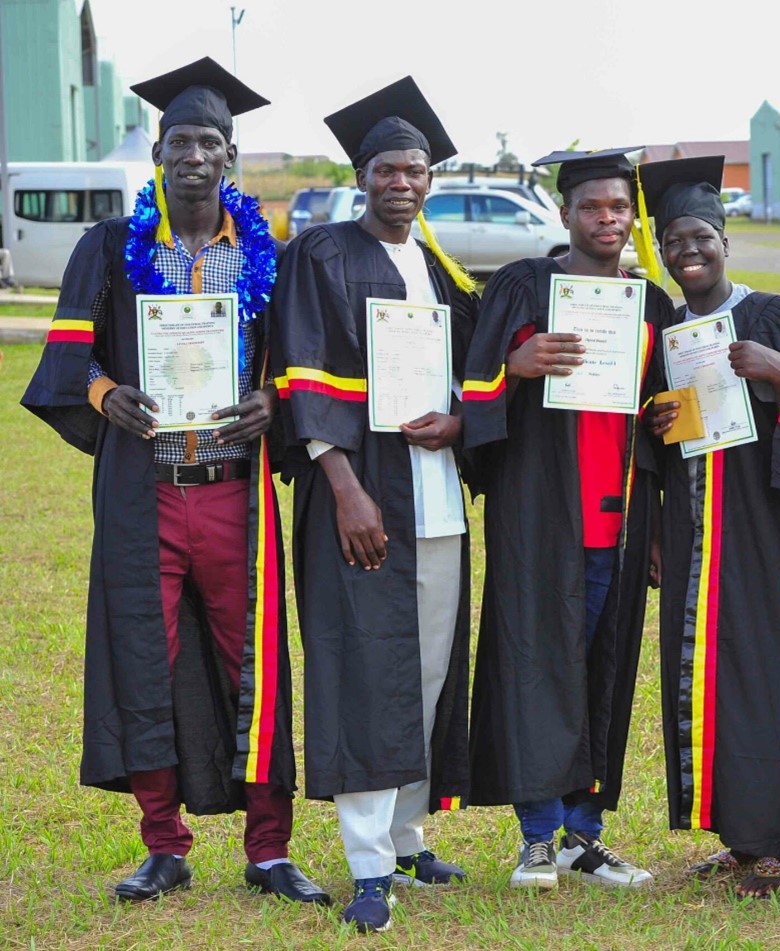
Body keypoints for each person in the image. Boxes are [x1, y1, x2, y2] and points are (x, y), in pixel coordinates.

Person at [20, 58, 326, 906]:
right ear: (159, 150)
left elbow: (298, 365)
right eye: (181, 140)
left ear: (232, 155)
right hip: (145, 491)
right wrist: (104, 392)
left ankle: (269, 849)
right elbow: (69, 356)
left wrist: (274, 400)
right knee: (142, 657)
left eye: (212, 141)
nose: (195, 154)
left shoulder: (271, 256)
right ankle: (165, 844)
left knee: (254, 660)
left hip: (234, 488)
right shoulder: (110, 249)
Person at [270, 77, 478, 933]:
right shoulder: (320, 255)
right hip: (361, 495)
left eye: (417, 169)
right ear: (363, 176)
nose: (404, 182)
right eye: (388, 168)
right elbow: (300, 370)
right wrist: (343, 482)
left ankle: (405, 834)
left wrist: (465, 419)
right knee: (362, 666)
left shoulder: (436, 267)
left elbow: (471, 377)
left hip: (436, 500)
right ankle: (366, 863)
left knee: (426, 668)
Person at [462, 146, 674, 891]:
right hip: (539, 515)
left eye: (619, 207)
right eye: (593, 206)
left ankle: (587, 835)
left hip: (620, 519)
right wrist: (512, 369)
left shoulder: (651, 303)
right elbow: (475, 383)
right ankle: (536, 837)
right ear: (566, 214)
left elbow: (664, 419)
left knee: (603, 672)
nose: (608, 218)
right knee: (535, 667)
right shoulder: (525, 286)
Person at [641, 157, 780, 898]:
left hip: (766, 527)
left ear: (723, 237)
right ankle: (739, 835)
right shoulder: (664, 329)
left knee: (768, 670)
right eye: (672, 242)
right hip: (694, 526)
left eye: (700, 237)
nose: (687, 252)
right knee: (707, 676)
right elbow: (654, 440)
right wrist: (653, 421)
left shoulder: (775, 316)